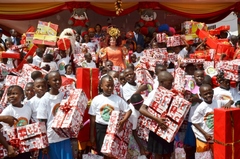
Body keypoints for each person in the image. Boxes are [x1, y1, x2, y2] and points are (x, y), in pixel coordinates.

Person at [89, 75, 132, 157]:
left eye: (112, 85)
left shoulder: (117, 99)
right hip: (101, 128)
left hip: (113, 129)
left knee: (112, 152)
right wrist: (92, 135)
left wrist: (123, 121)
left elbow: (129, 110)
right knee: (101, 152)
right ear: (101, 86)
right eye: (107, 85)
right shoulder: (96, 99)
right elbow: (92, 118)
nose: (110, 88)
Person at [37, 71, 73, 159]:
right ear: (48, 82)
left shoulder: (65, 96)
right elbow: (41, 123)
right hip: (51, 138)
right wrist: (44, 143)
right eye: (54, 80)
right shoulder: (45, 100)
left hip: (64, 137)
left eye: (59, 80)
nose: (58, 82)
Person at [139, 71, 174, 159]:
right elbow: (142, 109)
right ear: (162, 82)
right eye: (169, 83)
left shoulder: (171, 93)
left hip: (167, 129)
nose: (171, 85)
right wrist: (157, 119)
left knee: (168, 153)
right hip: (157, 129)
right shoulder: (154, 93)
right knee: (158, 154)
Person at [191, 84, 233, 157]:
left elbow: (231, 101)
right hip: (203, 138)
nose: (208, 95)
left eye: (210, 93)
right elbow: (194, 122)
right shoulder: (201, 107)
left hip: (214, 137)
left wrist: (229, 103)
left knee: (215, 155)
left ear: (213, 92)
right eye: (205, 94)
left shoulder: (217, 102)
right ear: (201, 95)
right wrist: (205, 134)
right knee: (203, 156)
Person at [1, 85, 32, 159]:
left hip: (24, 146)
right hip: (12, 147)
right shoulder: (7, 111)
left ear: (22, 95)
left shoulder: (28, 109)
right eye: (9, 94)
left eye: (14, 93)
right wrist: (8, 147)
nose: (11, 96)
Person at [183, 70, 204, 159]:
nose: (199, 78)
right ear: (194, 77)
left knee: (201, 143)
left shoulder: (206, 87)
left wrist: (198, 100)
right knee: (191, 144)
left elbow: (209, 102)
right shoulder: (191, 87)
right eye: (197, 76)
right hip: (192, 119)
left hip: (203, 120)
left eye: (201, 76)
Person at [127, 94, 148, 158]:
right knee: (137, 153)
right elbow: (134, 132)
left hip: (136, 130)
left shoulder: (133, 104)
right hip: (131, 134)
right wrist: (141, 147)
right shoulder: (134, 114)